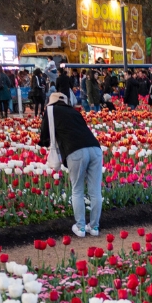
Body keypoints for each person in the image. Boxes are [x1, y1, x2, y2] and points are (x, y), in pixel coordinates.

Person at [38, 92, 103, 238]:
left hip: (75, 151)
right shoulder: (74, 112)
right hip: (95, 148)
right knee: (95, 191)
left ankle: (80, 227)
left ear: (51, 102)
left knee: (77, 190)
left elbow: (44, 137)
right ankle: (94, 227)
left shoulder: (50, 111)